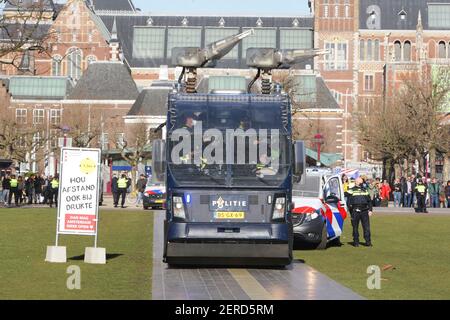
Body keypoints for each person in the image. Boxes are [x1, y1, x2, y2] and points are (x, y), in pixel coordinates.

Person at [347, 177, 373, 247]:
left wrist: (370, 210)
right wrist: (351, 211)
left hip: (364, 211)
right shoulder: (351, 190)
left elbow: (369, 201)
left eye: (362, 181)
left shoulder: (365, 190)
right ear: (356, 182)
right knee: (355, 227)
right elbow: (348, 202)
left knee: (366, 227)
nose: (361, 183)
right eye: (360, 181)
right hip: (355, 211)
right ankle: (356, 242)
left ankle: (368, 242)